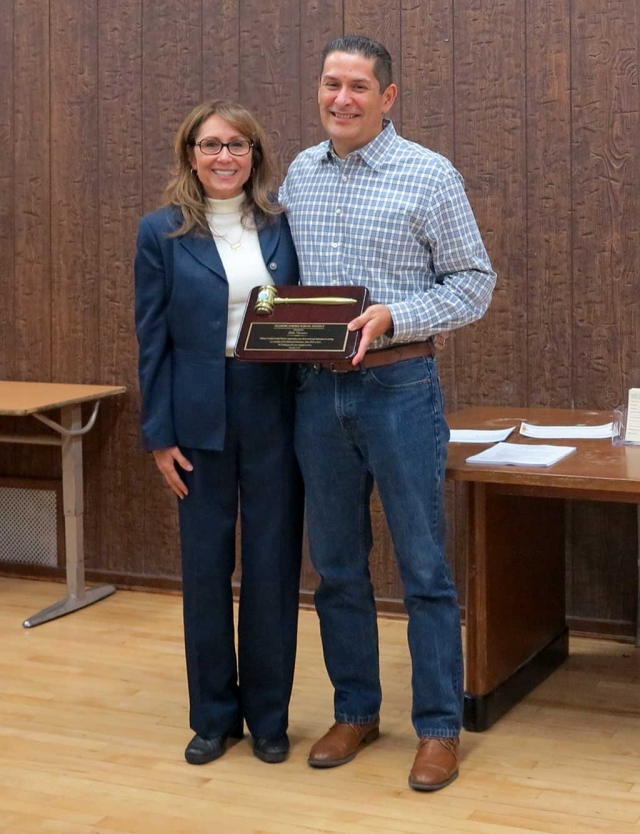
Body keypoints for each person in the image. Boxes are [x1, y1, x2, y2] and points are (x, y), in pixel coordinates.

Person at [279, 36, 496, 791]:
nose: (342, 99)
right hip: (315, 394)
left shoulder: (429, 174)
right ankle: (357, 710)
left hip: (401, 391)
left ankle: (438, 729)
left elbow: (474, 283)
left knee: (425, 568)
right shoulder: (300, 173)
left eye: (359, 87)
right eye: (332, 84)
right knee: (337, 567)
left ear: (389, 96)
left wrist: (392, 317)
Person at [135, 101, 303, 766]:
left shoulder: (284, 227)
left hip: (274, 411)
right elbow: (152, 338)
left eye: (236, 145)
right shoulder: (162, 233)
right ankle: (213, 717)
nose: (224, 157)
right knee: (206, 570)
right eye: (210, 146)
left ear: (255, 155)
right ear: (191, 155)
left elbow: (306, 312)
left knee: (272, 566)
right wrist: (158, 433)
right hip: (196, 416)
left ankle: (267, 717)